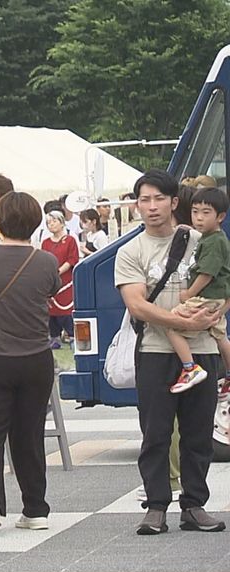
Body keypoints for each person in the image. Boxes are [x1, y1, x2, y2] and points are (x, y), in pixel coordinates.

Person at [115, 170, 227, 535]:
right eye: (144, 200)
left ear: (173, 202)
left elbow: (224, 283)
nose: (151, 207)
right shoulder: (131, 251)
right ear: (137, 206)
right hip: (155, 351)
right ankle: (156, 505)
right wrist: (180, 319)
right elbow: (136, 305)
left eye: (158, 199)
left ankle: (194, 505)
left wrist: (210, 315)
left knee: (198, 433)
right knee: (156, 432)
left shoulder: (203, 240)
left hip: (204, 349)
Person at [0, 192, 62, 536]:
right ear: (36, 221)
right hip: (36, 358)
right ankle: (35, 508)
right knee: (29, 434)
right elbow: (52, 291)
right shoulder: (46, 261)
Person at [165, 187, 230, 393]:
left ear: (220, 216)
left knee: (171, 325)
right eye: (195, 212)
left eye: (205, 213)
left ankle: (189, 368)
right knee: (221, 336)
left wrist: (189, 294)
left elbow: (207, 274)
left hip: (206, 298)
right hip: (218, 299)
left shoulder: (213, 242)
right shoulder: (214, 237)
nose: (199, 218)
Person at [40, 210, 80, 349]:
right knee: (52, 311)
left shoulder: (70, 240)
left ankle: (73, 336)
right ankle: (54, 337)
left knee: (66, 311)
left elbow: (72, 259)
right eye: (48, 223)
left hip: (66, 280)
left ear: (62, 222)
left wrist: (58, 271)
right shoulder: (45, 243)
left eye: (54, 221)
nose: (51, 225)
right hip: (50, 281)